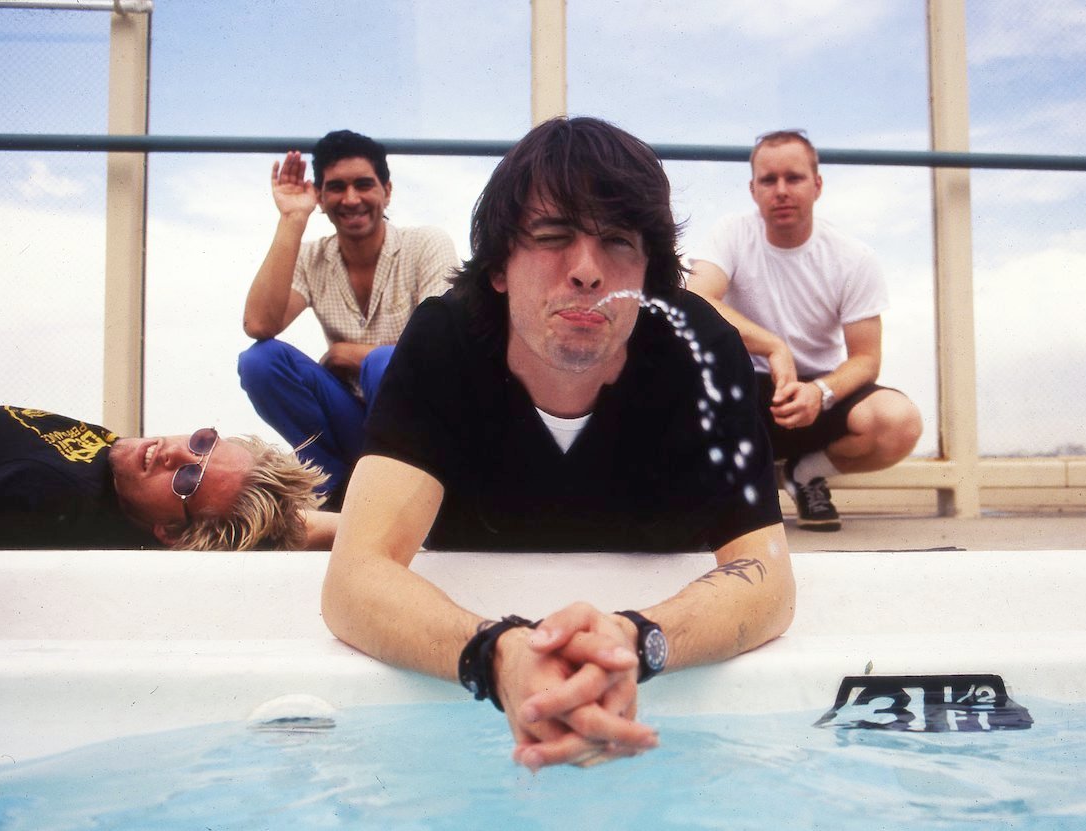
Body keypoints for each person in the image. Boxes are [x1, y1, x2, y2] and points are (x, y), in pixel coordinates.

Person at [321, 117, 795, 771]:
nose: (587, 271)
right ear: (497, 268)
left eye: (618, 242)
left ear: (650, 272)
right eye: (552, 237)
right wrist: (498, 655)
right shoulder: (444, 343)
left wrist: (637, 641)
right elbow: (352, 581)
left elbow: (767, 576)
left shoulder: (702, 352)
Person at [688, 129, 922, 532]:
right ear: (752, 189)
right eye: (768, 180)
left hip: (817, 396)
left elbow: (867, 359)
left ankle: (805, 474)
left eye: (793, 178)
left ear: (817, 185)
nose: (780, 191)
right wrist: (773, 346)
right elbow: (696, 299)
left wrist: (820, 391)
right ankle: (723, 494)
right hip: (744, 391)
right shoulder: (732, 233)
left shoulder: (852, 258)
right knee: (670, 392)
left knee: (898, 421)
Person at [239, 129, 459, 505]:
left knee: (382, 363)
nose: (351, 198)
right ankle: (335, 488)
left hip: (418, 432)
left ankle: (395, 492)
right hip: (352, 425)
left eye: (363, 184)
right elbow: (259, 325)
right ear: (321, 198)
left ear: (386, 191)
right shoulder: (312, 257)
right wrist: (293, 219)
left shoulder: (426, 244)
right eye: (337, 187)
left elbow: (442, 347)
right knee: (260, 361)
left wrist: (348, 353)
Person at [0, 396, 336, 550]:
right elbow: (302, 525)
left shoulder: (55, 494)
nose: (173, 452)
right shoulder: (124, 473)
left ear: (171, 533)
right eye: (202, 442)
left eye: (187, 480)